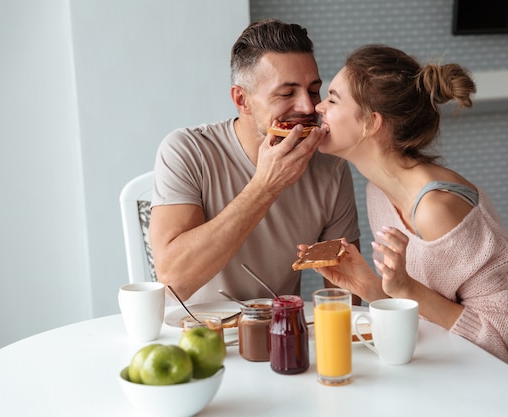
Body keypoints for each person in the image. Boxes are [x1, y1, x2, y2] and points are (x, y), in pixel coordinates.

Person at [308, 44, 508, 396]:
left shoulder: (436, 209)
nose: (317, 107)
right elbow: (432, 309)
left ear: (372, 123)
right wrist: (372, 288)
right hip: (452, 378)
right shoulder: (378, 192)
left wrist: (407, 289)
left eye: (333, 100)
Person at [149, 19, 361, 305]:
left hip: (280, 333)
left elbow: (345, 294)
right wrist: (265, 186)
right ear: (242, 100)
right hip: (195, 334)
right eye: (287, 93)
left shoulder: (329, 166)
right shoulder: (187, 151)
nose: (309, 107)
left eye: (313, 90)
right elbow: (174, 281)